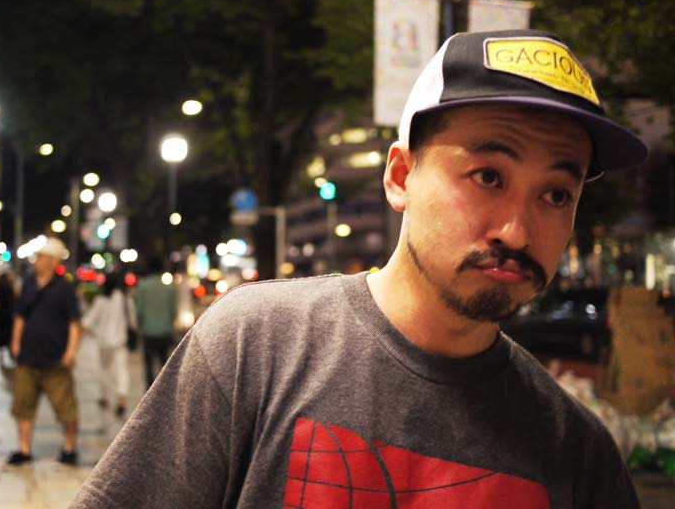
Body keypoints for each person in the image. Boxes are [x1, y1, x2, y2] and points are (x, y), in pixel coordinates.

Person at [72, 29, 648, 507]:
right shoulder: (255, 345)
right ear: (400, 177)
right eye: (488, 177)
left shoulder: (581, 455)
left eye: (556, 195)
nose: (517, 231)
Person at [5, 237, 82, 466]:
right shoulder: (29, 284)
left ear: (53, 261)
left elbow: (74, 323)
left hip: (56, 360)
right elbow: (20, 315)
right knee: (23, 406)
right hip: (28, 358)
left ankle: (69, 448)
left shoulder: (65, 288)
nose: (38, 261)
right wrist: (15, 342)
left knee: (66, 407)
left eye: (42, 257)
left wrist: (70, 352)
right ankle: (24, 449)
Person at [82, 272, 136, 417]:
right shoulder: (125, 299)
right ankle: (122, 398)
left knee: (103, 369)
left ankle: (104, 396)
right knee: (122, 370)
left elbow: (88, 321)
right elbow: (133, 321)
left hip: (103, 342)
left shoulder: (100, 300)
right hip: (120, 341)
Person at [134, 256, 177, 388]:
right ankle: (166, 390)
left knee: (149, 367)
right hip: (165, 331)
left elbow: (139, 311)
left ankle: (150, 391)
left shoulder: (142, 286)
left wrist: (140, 328)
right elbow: (173, 311)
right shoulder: (169, 287)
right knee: (165, 365)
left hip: (148, 332)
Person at [0, 270, 17, 369]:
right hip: (9, 314)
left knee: (1, 332)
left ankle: (1, 349)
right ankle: (10, 352)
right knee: (9, 332)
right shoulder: (9, 288)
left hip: (1, 313)